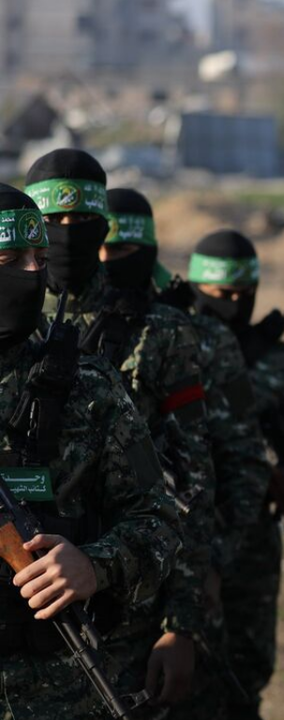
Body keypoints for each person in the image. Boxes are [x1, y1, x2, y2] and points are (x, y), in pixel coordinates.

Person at [25, 149, 217, 709]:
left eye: (81, 220)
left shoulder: (161, 331)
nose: (66, 233)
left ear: (103, 227)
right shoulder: (16, 323)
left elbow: (192, 482)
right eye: (52, 221)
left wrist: (181, 625)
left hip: (125, 609)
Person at [0, 182, 181, 718]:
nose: (34, 273)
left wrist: (94, 565)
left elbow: (158, 520)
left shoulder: (88, 386)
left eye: (39, 259)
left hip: (58, 694)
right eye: (10, 260)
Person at [105, 188, 273, 719]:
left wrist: (210, 568)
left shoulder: (190, 336)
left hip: (180, 575)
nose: (105, 261)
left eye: (121, 250)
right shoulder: (45, 333)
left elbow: (241, 460)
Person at [186, 229, 284, 720]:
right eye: (220, 295)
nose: (233, 306)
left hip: (250, 546)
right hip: (175, 538)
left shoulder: (281, 365)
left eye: (243, 295)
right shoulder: (169, 348)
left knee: (243, 678)